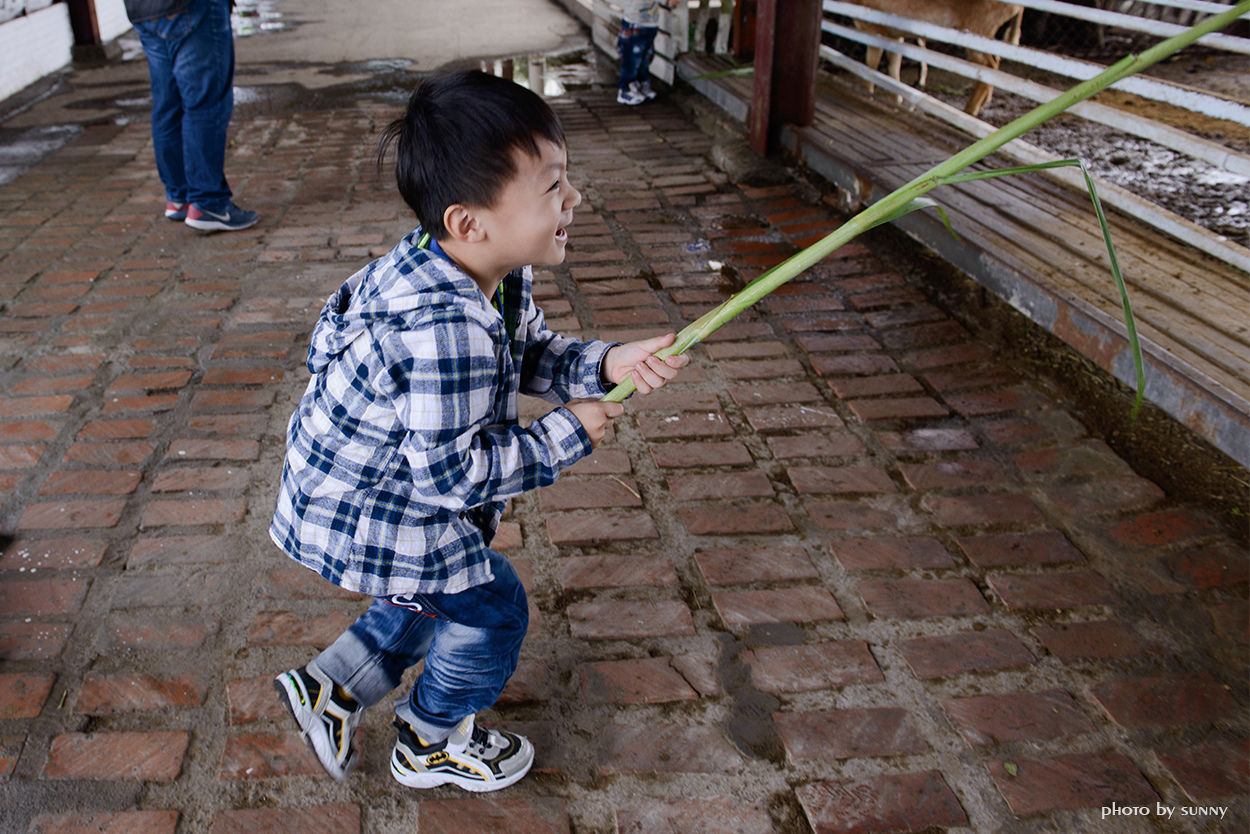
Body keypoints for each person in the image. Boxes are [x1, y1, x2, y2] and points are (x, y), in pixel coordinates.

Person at [269, 70, 688, 792]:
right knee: (491, 606)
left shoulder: (482, 266)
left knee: (439, 590)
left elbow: (526, 353)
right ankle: (430, 739)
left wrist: (609, 361)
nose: (574, 199)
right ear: (470, 220)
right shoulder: (443, 329)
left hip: (376, 491)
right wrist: (568, 434)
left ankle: (331, 687)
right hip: (373, 506)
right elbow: (451, 477)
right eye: (552, 186)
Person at [124, 0, 259, 231]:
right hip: (191, 6)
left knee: (168, 104)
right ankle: (209, 203)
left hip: (143, 10)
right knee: (206, 101)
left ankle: (180, 197)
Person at [616, 0, 669, 105]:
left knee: (646, 57)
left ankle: (640, 84)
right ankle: (626, 90)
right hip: (635, 22)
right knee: (632, 59)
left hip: (650, 24)